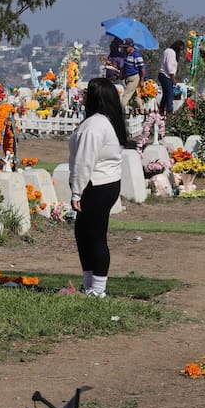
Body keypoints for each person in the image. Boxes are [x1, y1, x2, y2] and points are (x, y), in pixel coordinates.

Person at [68, 78, 127, 298]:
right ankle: (90, 284)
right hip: (107, 183)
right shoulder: (106, 121)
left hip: (96, 184)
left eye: (86, 92)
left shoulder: (94, 125)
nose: (82, 96)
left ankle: (98, 289)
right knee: (84, 233)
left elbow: (85, 161)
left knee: (94, 235)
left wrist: (76, 192)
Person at [118, 38, 146, 112]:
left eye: (126, 47)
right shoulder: (127, 55)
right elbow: (125, 67)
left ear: (131, 46)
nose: (124, 49)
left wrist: (142, 80)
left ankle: (121, 112)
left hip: (134, 78)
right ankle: (142, 110)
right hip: (127, 78)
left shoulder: (136, 55)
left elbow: (142, 68)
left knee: (125, 96)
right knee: (135, 97)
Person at [158, 40, 183, 116]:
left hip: (163, 74)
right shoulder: (171, 52)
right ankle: (169, 111)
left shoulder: (167, 51)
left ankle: (161, 110)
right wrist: (173, 77)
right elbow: (169, 65)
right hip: (167, 75)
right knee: (170, 93)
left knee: (165, 94)